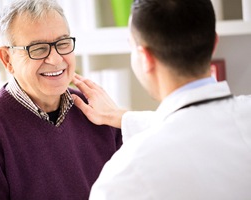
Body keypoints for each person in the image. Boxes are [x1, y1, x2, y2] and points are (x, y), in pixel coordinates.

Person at [72, 0, 251, 199]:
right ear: (215, 43)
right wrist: (123, 117)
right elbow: (197, 125)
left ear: (145, 58)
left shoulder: (126, 176)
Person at [0, 0, 122, 199]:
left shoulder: (100, 112)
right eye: (39, 49)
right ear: (7, 59)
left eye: (63, 43)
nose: (56, 59)